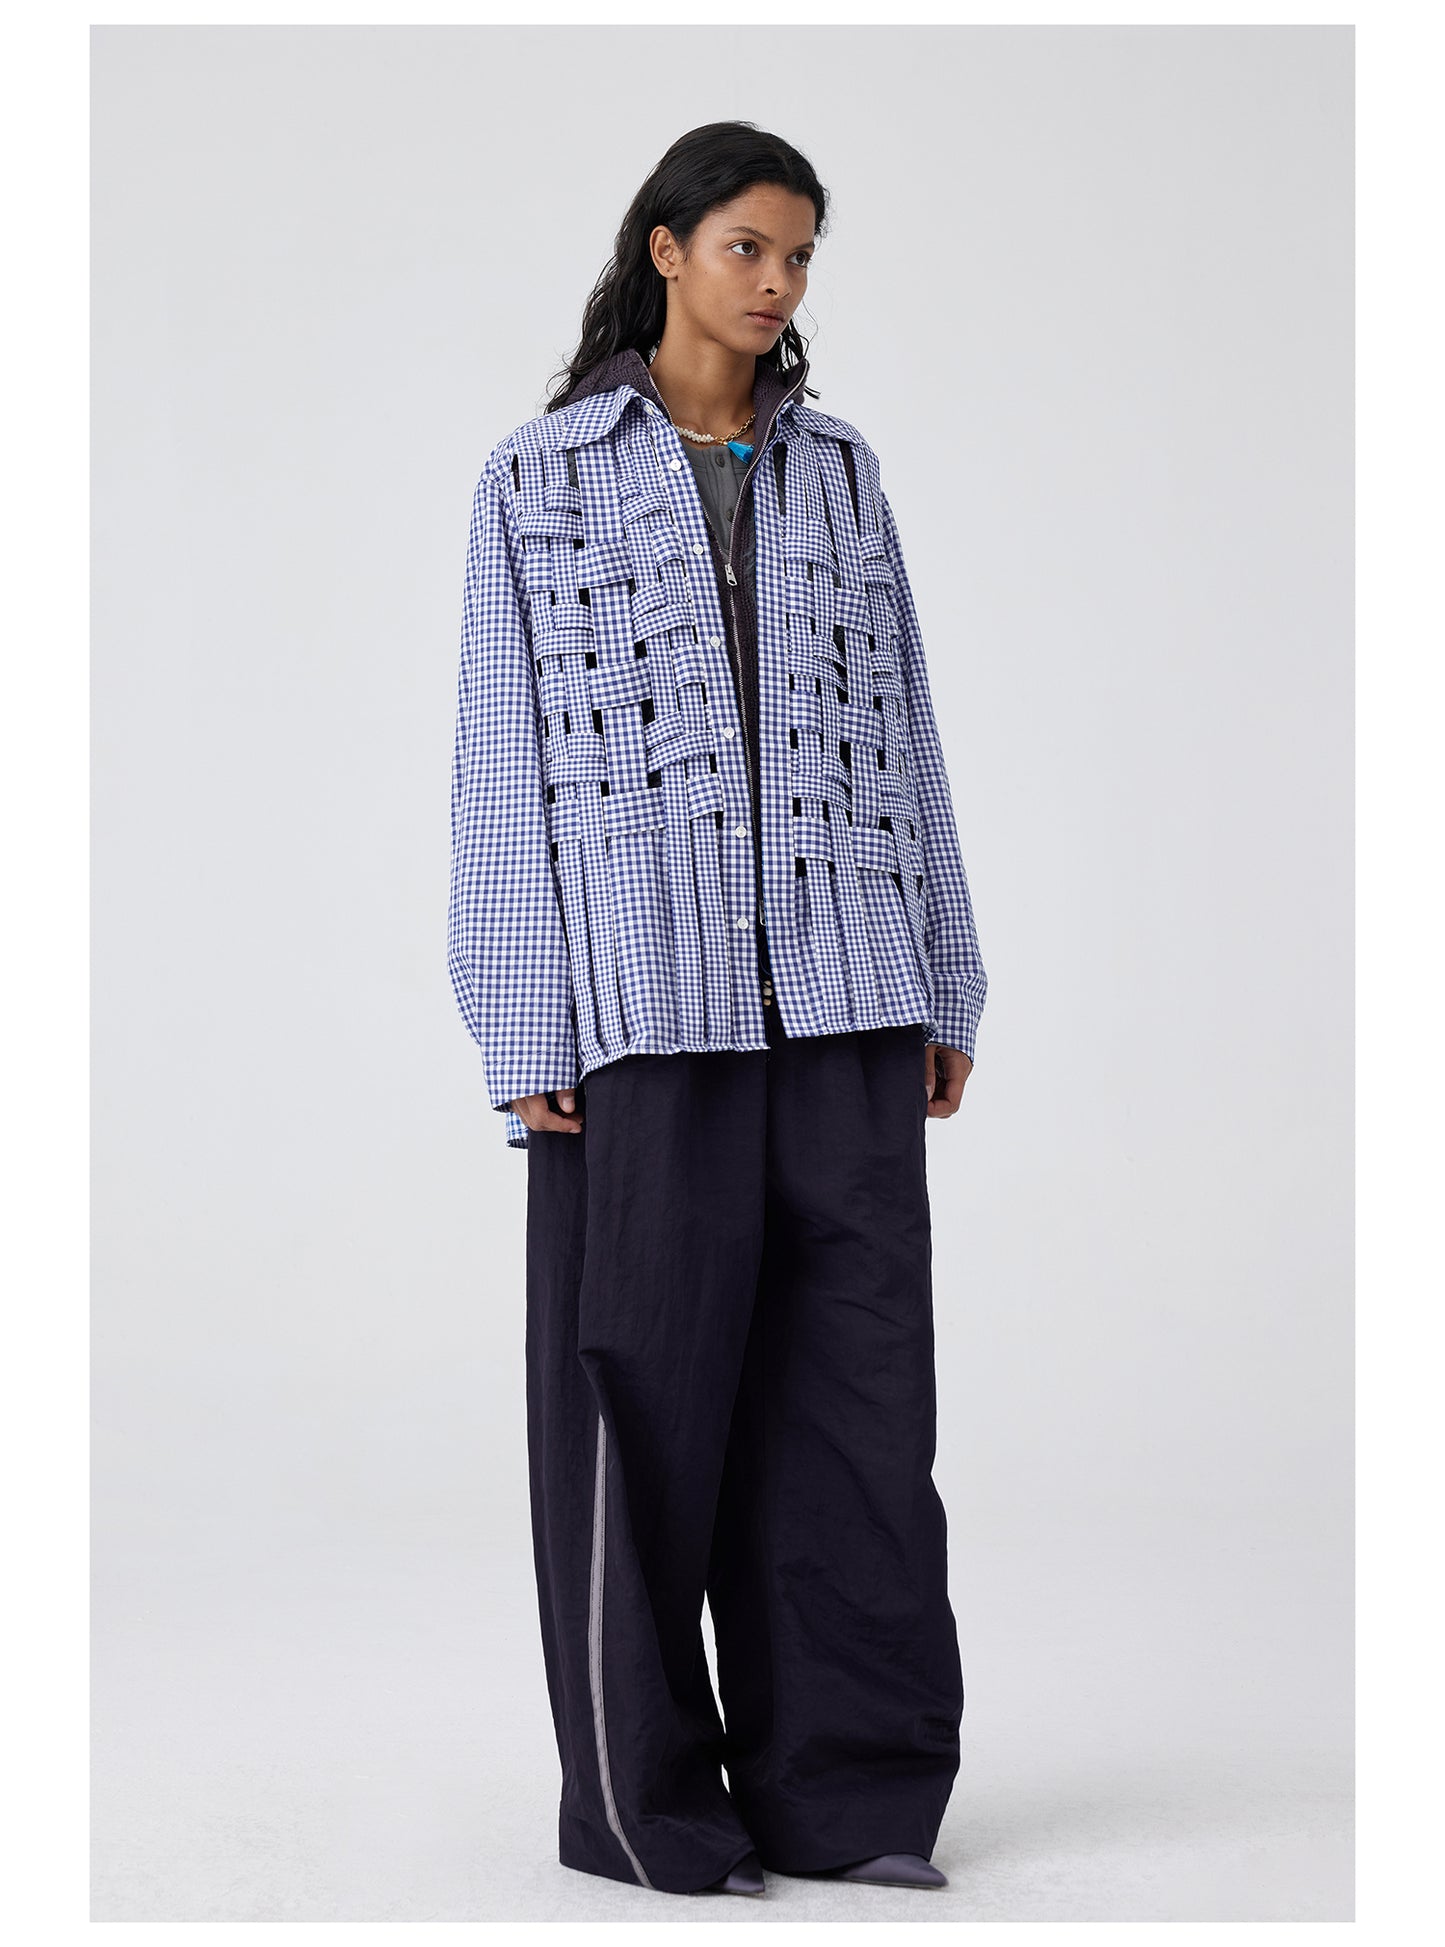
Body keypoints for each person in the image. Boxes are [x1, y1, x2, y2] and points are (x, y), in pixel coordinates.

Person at [447, 121, 988, 1901]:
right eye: (749, 246)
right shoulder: (538, 477)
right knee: (642, 1398)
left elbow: (903, 736)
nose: (778, 282)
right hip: (642, 1008)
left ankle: (853, 1801)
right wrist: (524, 1027)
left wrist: (945, 975)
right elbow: (501, 763)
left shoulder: (840, 474)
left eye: (801, 255)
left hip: (844, 991)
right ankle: (649, 1811)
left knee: (855, 1405)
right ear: (665, 249)